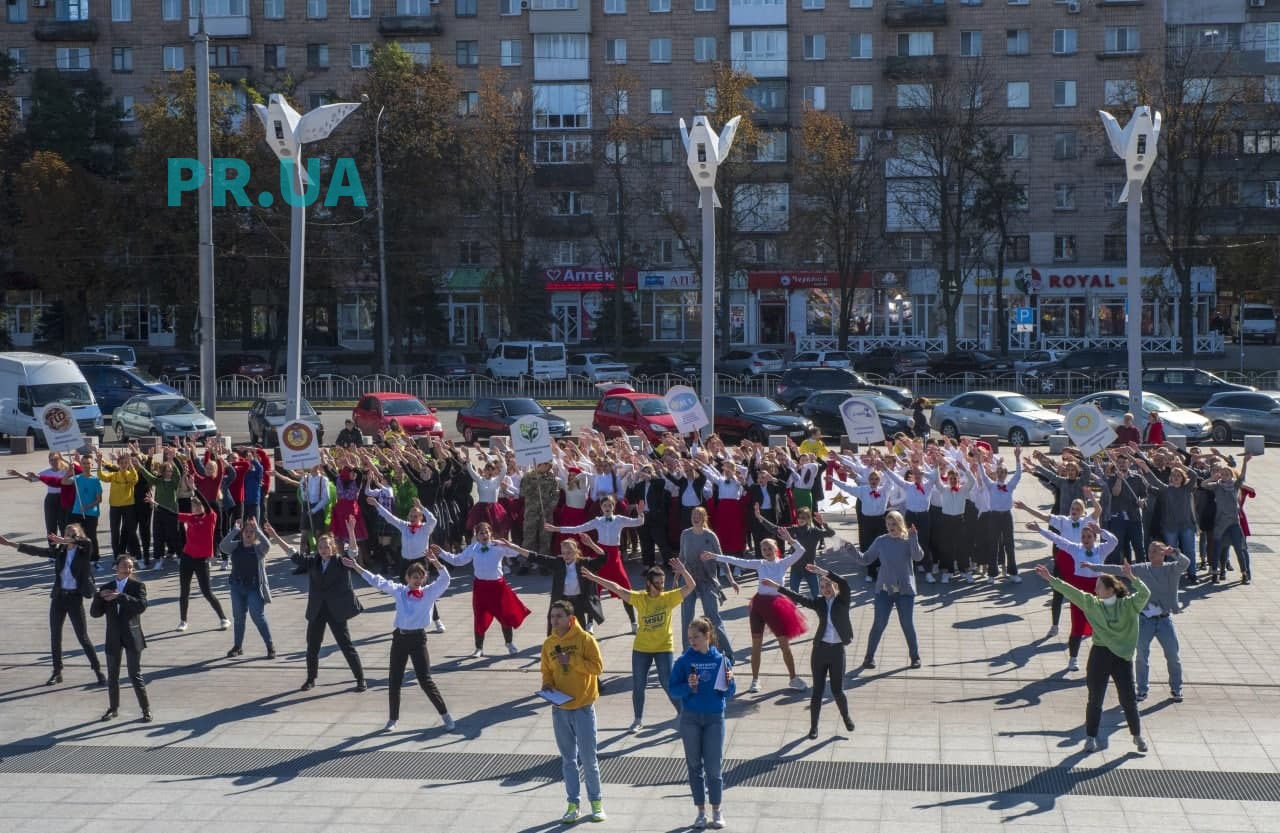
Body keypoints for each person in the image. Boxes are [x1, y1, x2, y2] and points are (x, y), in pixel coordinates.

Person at [1033, 561, 1150, 753]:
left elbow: (1145, 594)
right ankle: (1090, 737)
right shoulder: (1092, 604)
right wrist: (1051, 579)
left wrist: (1131, 577)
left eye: (1098, 587)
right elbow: (1072, 592)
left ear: (1111, 589)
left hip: (1122, 658)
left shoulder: (1129, 605)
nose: (1095, 590)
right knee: (1095, 698)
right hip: (1100, 655)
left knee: (1128, 699)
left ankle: (1137, 736)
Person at [342, 540, 456, 732]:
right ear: (407, 578)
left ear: (425, 579)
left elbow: (445, 580)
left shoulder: (429, 593)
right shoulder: (400, 591)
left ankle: (446, 715)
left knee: (425, 680)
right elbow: (377, 581)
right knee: (394, 680)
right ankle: (393, 719)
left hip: (418, 639)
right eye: (414, 577)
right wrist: (357, 566)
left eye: (420, 577)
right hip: (400, 639)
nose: (417, 580)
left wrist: (435, 561)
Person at [583, 559, 696, 732]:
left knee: (667, 682)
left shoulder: (669, 598)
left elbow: (691, 586)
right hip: (642, 648)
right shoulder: (640, 598)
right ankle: (638, 720)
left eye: (663, 583)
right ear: (649, 584)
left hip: (664, 647)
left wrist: (683, 569)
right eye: (657, 583)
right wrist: (593, 577)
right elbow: (617, 588)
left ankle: (683, 712)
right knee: (638, 684)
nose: (661, 587)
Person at [702, 528, 809, 693]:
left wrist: (790, 539)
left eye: (769, 548)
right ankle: (755, 680)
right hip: (759, 606)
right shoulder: (759, 564)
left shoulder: (783, 563)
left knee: (784, 645)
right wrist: (715, 556)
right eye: (764, 549)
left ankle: (793, 678)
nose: (766, 551)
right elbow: (736, 560)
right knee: (756, 645)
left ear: (776, 549)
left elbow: (801, 551)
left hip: (777, 606)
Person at [263, 524, 365, 692]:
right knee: (312, 647)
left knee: (346, 645)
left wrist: (352, 531)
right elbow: (292, 553)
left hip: (336, 611)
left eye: (326, 547)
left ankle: (360, 679)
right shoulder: (313, 562)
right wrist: (274, 535)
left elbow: (353, 551)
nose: (323, 550)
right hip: (317, 610)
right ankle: (311, 679)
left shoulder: (341, 562)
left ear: (332, 548)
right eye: (320, 547)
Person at [1084, 540, 1189, 703]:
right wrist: (1095, 567)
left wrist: (1174, 551)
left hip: (1164, 620)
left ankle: (1176, 688)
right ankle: (1142, 690)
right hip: (1144, 620)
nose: (1151, 553)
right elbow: (1119, 570)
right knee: (1141, 656)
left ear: (1163, 553)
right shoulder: (1142, 569)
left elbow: (1186, 562)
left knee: (1173, 655)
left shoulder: (1172, 569)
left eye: (1155, 550)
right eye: (1149, 550)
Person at [0, 527, 105, 687]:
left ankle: (98, 671)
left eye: (73, 535)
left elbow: (87, 541)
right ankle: (57, 672)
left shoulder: (84, 551)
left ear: (78, 536)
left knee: (82, 637)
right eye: (66, 534)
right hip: (58, 597)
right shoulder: (61, 551)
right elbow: (37, 551)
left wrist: (67, 540)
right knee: (55, 636)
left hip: (75, 598)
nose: (68, 537)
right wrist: (10, 544)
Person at [769, 564, 855, 738]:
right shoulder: (819, 602)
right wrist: (778, 587)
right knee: (817, 691)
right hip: (820, 651)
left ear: (834, 587)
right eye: (822, 587)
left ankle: (846, 717)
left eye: (828, 586)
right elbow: (799, 598)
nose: (825, 589)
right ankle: (814, 727)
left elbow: (844, 583)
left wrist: (823, 572)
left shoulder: (843, 599)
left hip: (837, 651)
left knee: (838, 691)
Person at [540, 599, 606, 825]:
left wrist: (573, 661)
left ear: (570, 618)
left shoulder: (585, 639)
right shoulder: (549, 644)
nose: (554, 620)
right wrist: (547, 685)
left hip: (583, 708)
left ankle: (596, 803)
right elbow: (546, 670)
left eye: (558, 616)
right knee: (568, 760)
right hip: (560, 709)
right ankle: (573, 804)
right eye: (552, 616)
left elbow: (597, 668)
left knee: (589, 759)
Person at [1026, 516, 1118, 671]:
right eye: (1083, 537)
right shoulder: (1075, 548)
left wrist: (1101, 531)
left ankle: (1104, 660)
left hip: (1098, 590)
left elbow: (1114, 541)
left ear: (1094, 538)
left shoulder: (1101, 549)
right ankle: (1073, 659)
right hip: (1079, 591)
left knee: (1101, 625)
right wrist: (1040, 529)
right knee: (1077, 625)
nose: (1086, 539)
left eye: (1089, 536)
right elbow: (1057, 539)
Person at [669, 616, 736, 831]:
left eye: (696, 637)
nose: (692, 642)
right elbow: (673, 689)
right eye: (689, 638)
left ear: (707, 636)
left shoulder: (721, 660)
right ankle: (700, 811)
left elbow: (730, 692)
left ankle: (717, 809)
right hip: (690, 718)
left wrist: (730, 680)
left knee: (714, 767)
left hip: (715, 717)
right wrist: (688, 687)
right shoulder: (683, 661)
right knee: (694, 766)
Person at [545, 494, 643, 630]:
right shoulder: (597, 521)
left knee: (626, 591)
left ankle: (633, 622)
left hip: (615, 561)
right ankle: (590, 624)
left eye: (610, 505)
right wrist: (556, 529)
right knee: (593, 593)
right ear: (601, 508)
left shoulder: (620, 520)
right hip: (600, 559)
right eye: (605, 506)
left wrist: (640, 514)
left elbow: (638, 522)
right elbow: (577, 528)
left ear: (613, 507)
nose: (607, 508)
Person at [436, 522, 531, 657]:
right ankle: (478, 648)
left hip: (498, 587)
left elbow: (515, 553)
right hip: (481, 587)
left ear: (491, 533)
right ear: (477, 536)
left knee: (504, 616)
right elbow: (457, 560)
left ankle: (509, 643)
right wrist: (441, 553)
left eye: (486, 532)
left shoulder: (498, 546)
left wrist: (509, 544)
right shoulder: (473, 548)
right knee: (480, 617)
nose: (484, 535)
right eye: (481, 533)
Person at [848, 510, 924, 670]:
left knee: (907, 624)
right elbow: (866, 559)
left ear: (900, 524)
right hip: (884, 590)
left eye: (894, 524)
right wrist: (851, 551)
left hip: (904, 590)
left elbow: (918, 557)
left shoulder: (907, 540)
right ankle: (869, 658)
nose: (891, 527)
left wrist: (914, 538)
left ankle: (915, 656)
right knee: (879, 624)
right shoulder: (881, 541)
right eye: (889, 524)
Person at [147, 483, 228, 633]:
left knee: (206, 592)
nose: (196, 509)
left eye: (198, 507)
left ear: (203, 508)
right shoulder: (190, 518)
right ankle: (183, 621)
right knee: (184, 591)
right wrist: (156, 504)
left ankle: (223, 618)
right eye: (193, 507)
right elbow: (172, 514)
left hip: (202, 559)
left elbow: (205, 502)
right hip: (187, 558)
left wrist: (194, 489)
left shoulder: (211, 517)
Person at [90, 556, 151, 723]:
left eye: (131, 567)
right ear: (116, 567)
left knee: (134, 674)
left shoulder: (137, 586)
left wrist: (120, 597)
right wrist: (98, 597)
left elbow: (141, 606)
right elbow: (95, 614)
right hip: (113, 637)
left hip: (132, 636)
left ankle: (145, 709)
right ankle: (113, 708)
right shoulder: (107, 587)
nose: (128, 569)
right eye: (125, 566)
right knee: (113, 675)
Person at [679, 507, 738, 663]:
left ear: (704, 518)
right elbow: (681, 557)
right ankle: (687, 653)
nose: (695, 518)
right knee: (686, 618)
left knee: (713, 619)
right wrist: (675, 579)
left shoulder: (710, 536)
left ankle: (728, 654)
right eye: (693, 515)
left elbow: (721, 558)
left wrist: (731, 580)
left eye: (699, 515)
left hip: (707, 580)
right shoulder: (685, 534)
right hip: (689, 581)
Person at [217, 517, 276, 659]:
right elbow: (222, 547)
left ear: (255, 534)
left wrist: (259, 530)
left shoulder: (258, 548)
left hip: (254, 587)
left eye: (251, 532)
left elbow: (267, 545)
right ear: (242, 533)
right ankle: (238, 647)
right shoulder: (236, 545)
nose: (248, 534)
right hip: (237, 586)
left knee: (258, 617)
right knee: (238, 617)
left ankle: (270, 646)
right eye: (246, 531)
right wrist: (234, 531)